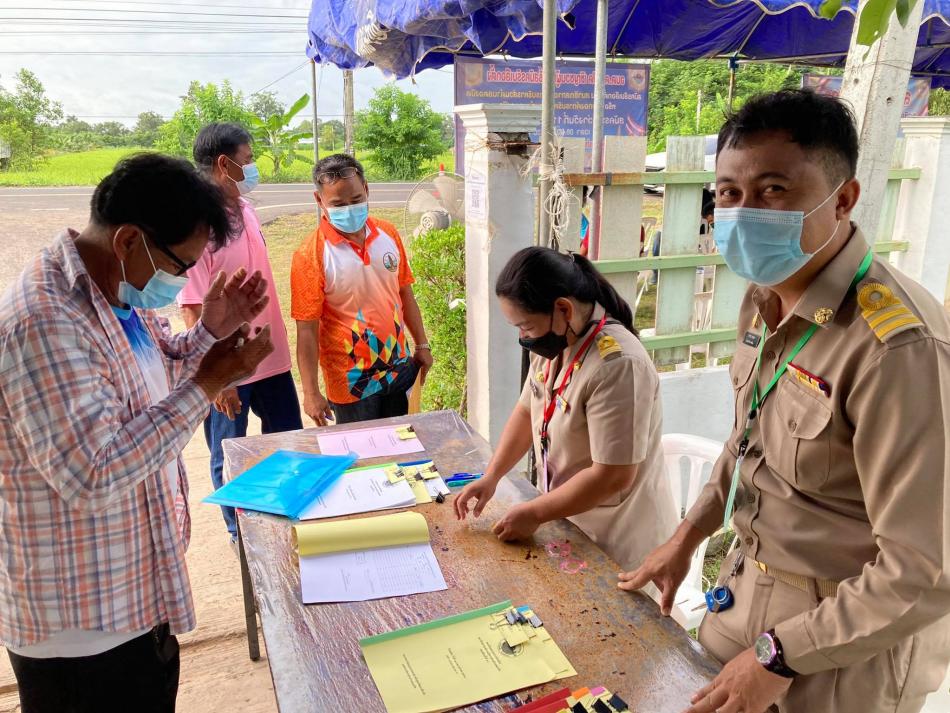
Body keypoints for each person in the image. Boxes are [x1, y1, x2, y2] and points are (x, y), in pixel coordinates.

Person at [619, 90, 950, 713]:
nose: (744, 213)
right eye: (728, 194)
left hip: (841, 650)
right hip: (745, 593)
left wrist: (781, 655)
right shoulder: (765, 297)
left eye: (774, 190)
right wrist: (688, 533)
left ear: (843, 199)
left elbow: (924, 569)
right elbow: (749, 437)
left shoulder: (899, 348)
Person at [0, 153, 274, 713]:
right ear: (128, 240)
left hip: (133, 603)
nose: (179, 282)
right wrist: (207, 385)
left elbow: (154, 382)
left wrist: (210, 334)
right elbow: (95, 475)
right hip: (81, 632)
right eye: (179, 265)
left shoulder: (115, 293)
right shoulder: (45, 322)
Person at [454, 247, 677, 571]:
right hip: (570, 525)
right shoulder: (555, 343)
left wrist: (534, 512)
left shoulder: (618, 366)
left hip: (618, 542)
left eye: (526, 327)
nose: (523, 337)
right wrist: (492, 477)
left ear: (563, 309)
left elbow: (612, 475)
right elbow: (526, 410)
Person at [178, 122, 302, 543]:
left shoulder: (245, 211)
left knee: (288, 444)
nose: (253, 169)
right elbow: (193, 307)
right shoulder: (198, 226)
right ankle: (240, 535)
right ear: (224, 164)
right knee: (230, 452)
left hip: (271, 358)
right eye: (247, 161)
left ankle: (284, 521)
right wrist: (217, 376)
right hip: (229, 366)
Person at [291, 153, 433, 425]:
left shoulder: (388, 234)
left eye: (356, 200)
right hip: (352, 383)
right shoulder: (310, 255)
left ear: (366, 190)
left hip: (400, 370)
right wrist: (310, 393)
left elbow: (405, 293)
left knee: (402, 450)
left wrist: (422, 344)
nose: (349, 209)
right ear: (319, 200)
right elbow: (306, 330)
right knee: (362, 460)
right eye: (338, 204)